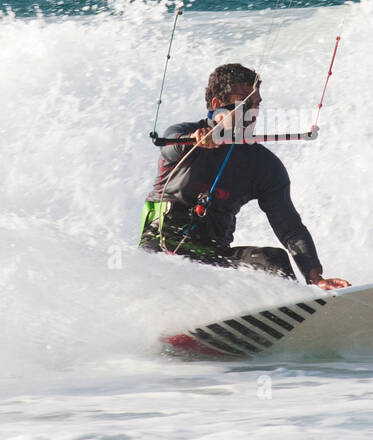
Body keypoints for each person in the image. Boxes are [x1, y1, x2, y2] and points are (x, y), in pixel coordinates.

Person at [139, 63, 350, 291]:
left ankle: (286, 314)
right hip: (162, 248)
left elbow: (289, 227)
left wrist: (315, 276)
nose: (253, 111)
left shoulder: (263, 165)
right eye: (245, 102)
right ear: (217, 105)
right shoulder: (183, 138)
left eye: (257, 104)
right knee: (174, 268)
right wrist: (194, 140)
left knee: (273, 260)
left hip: (213, 256)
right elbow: (170, 147)